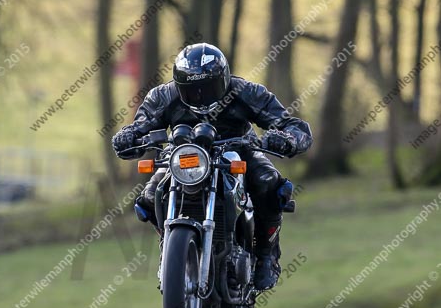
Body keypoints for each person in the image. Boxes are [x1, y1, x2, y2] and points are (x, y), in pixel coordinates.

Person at [112, 43, 313, 291]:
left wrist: (287, 139)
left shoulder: (246, 92)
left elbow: (294, 127)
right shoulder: (162, 96)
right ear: (179, 85)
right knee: (149, 197)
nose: (200, 96)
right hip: (184, 157)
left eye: (207, 88)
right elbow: (139, 127)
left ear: (224, 79)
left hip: (240, 151)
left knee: (270, 184)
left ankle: (266, 255)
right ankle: (169, 243)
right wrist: (128, 138)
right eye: (191, 90)